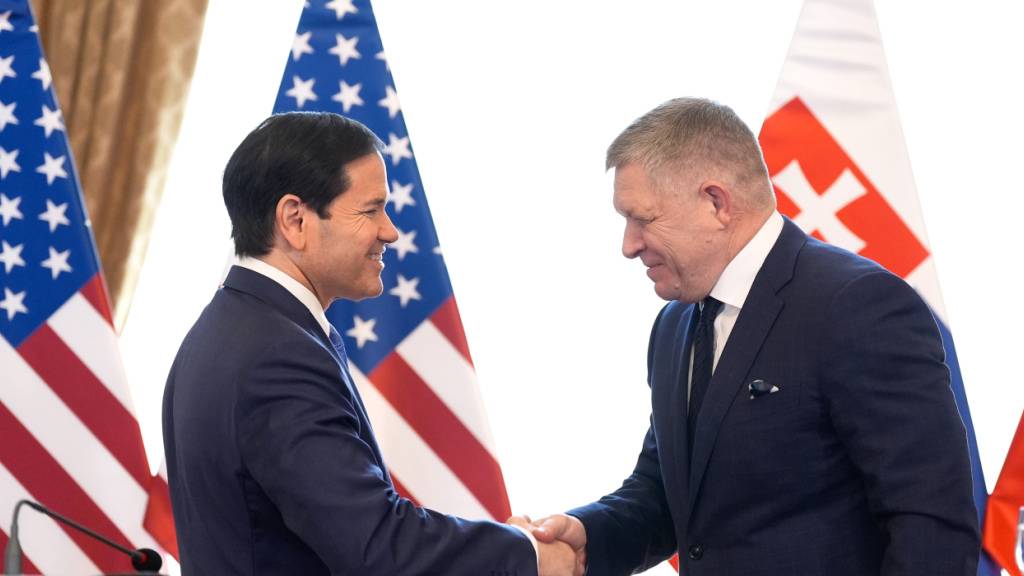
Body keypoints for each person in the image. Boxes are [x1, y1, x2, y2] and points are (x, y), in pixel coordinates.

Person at [522, 98, 980, 575]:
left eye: (644, 219)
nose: (629, 245)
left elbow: (931, 524)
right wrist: (587, 535)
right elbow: (667, 495)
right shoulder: (673, 326)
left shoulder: (856, 305)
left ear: (716, 203)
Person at [162, 112, 581, 575]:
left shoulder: (228, 327)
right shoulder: (277, 356)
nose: (390, 231)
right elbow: (377, 547)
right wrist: (527, 554)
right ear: (295, 219)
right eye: (370, 210)